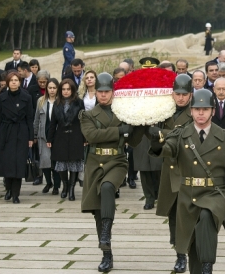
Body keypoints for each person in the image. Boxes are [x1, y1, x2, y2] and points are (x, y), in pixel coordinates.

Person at [149, 88, 225, 274]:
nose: (201, 113)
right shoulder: (180, 134)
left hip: (214, 194)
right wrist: (157, 145)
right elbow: (169, 150)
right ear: (191, 111)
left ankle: (208, 267)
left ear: (213, 111)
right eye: (197, 109)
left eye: (206, 109)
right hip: (188, 195)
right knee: (192, 244)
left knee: (207, 217)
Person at [80, 72, 145, 272]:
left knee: (108, 187)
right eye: (100, 91)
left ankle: (106, 233)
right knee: (98, 211)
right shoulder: (87, 115)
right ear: (95, 92)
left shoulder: (124, 113)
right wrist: (119, 131)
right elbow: (92, 136)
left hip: (117, 160)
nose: (103, 95)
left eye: (107, 91)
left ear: (113, 92)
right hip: (94, 163)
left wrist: (140, 123)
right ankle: (107, 254)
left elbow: (132, 141)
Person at [146, 74, 194, 273]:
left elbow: (188, 135)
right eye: (177, 94)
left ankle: (191, 250)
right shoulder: (164, 112)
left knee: (190, 212)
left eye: (184, 94)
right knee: (173, 212)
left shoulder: (197, 111)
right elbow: (150, 131)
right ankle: (179, 254)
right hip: (170, 167)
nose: (181, 98)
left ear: (191, 95)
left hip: (190, 167)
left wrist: (162, 134)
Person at [0, 72, 34, 204]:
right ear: (7, 82)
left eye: (16, 80)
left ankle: (16, 194)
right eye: (11, 80)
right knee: (7, 162)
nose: (14, 82)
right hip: (6, 131)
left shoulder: (26, 97)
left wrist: (31, 137)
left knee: (18, 163)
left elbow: (29, 119)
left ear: (20, 82)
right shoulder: (2, 97)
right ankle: (8, 189)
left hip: (21, 131)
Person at [48, 79, 85, 201]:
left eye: (68, 89)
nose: (66, 91)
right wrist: (50, 138)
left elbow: (83, 122)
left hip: (75, 136)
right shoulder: (57, 103)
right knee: (61, 165)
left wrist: (84, 138)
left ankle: (71, 189)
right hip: (61, 137)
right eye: (63, 89)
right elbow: (53, 123)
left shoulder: (79, 103)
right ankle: (65, 186)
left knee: (74, 164)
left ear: (72, 90)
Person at [34, 78, 61, 195]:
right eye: (50, 88)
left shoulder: (60, 101)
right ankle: (48, 182)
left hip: (57, 135)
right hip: (43, 135)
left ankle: (56, 185)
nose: (52, 90)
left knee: (56, 161)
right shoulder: (41, 101)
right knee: (45, 161)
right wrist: (35, 135)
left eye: (54, 88)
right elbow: (36, 119)